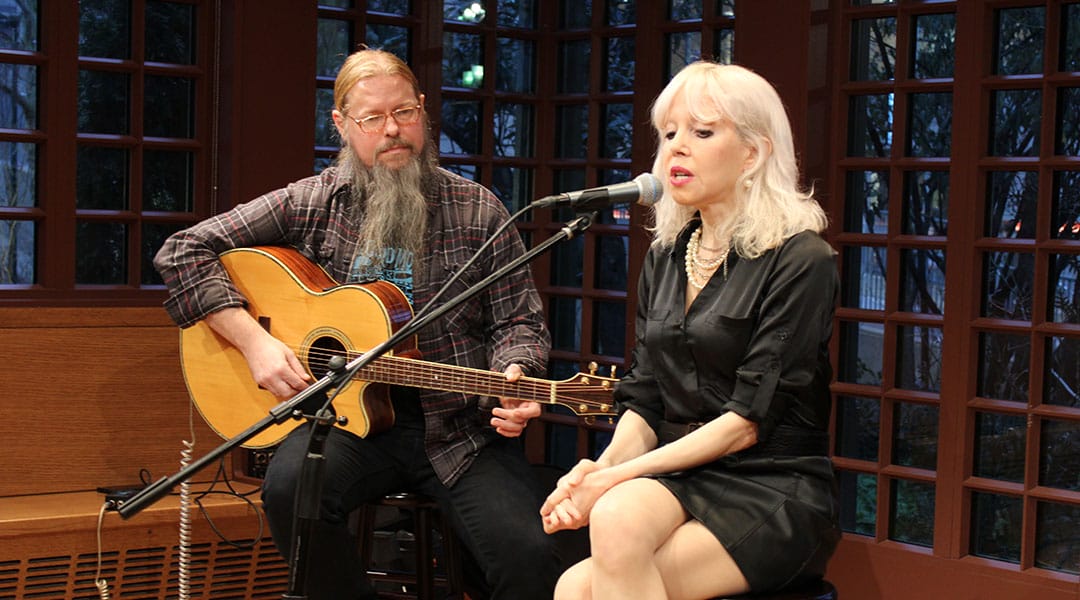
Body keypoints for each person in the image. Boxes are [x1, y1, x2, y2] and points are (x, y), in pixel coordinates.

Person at [154, 48, 560, 600]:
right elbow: (183, 251)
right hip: (345, 423)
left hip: (460, 428)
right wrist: (255, 344)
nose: (393, 131)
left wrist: (515, 372)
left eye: (404, 113)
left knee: (531, 556)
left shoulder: (478, 210)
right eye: (373, 119)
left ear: (423, 111)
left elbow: (519, 322)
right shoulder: (314, 202)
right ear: (343, 126)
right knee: (291, 489)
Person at [540, 61, 841, 599]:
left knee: (577, 587)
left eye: (702, 132)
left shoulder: (802, 260)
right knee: (592, 553)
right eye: (670, 133)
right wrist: (599, 469)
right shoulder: (665, 257)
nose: (677, 148)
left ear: (753, 153)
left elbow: (746, 423)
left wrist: (612, 481)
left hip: (774, 484)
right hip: (684, 475)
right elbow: (647, 395)